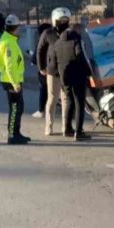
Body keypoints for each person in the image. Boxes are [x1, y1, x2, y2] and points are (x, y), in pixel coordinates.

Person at [48, 21, 92, 141]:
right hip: (78, 76)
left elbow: (53, 62)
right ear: (77, 30)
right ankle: (79, 132)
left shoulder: (57, 43)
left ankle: (67, 129)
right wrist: (89, 72)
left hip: (64, 77)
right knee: (79, 103)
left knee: (69, 101)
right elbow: (81, 57)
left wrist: (60, 74)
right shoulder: (77, 41)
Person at [36, 8, 71, 136]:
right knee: (52, 98)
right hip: (53, 71)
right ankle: (48, 126)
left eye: (65, 20)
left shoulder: (69, 33)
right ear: (54, 20)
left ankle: (65, 126)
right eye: (60, 20)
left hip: (67, 71)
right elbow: (40, 50)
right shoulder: (47, 33)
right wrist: (41, 68)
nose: (63, 23)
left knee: (66, 99)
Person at [0, 15, 30, 145]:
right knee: (15, 108)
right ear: (14, 28)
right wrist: (15, 84)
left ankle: (17, 133)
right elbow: (10, 66)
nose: (20, 30)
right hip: (11, 81)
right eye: (18, 27)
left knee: (18, 107)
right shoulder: (9, 43)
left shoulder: (8, 39)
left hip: (12, 80)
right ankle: (12, 136)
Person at [31, 23, 52, 119]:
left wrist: (34, 62)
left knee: (43, 88)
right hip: (57, 69)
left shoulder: (42, 40)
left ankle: (41, 110)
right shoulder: (56, 38)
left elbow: (36, 56)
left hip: (45, 70)